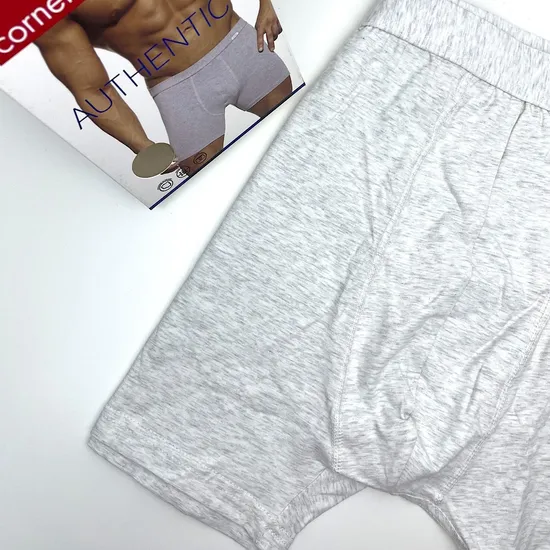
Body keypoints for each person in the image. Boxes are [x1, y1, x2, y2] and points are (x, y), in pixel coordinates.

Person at [35, 0, 293, 176]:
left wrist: (268, 5)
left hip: (242, 45)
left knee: (298, 140)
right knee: (209, 190)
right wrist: (142, 145)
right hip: (179, 90)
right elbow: (92, 89)